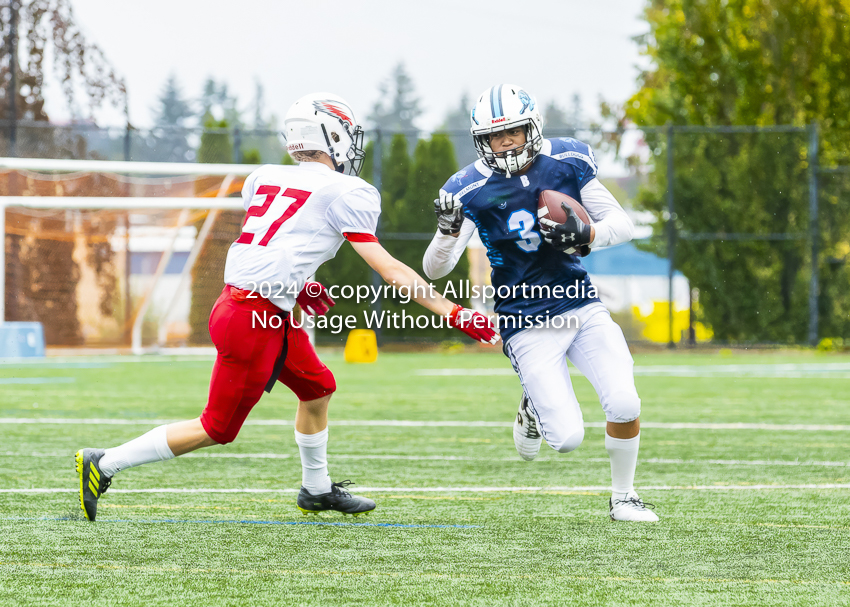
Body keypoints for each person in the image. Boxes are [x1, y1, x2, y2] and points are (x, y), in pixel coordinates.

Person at [75, 92, 498, 522]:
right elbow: (389, 269)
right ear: (331, 135)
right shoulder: (348, 190)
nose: (352, 145)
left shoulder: (264, 177)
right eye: (347, 135)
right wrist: (454, 311)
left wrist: (298, 288)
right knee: (217, 428)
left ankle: (316, 490)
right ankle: (104, 462)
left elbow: (279, 246)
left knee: (318, 388)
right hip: (251, 315)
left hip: (259, 307)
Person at [423, 84, 658, 522]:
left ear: (532, 127)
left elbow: (621, 225)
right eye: (495, 135)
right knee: (567, 438)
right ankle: (531, 403)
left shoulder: (567, 159)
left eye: (512, 131)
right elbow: (436, 268)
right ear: (482, 141)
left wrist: (587, 236)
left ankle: (624, 496)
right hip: (524, 319)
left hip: (578, 303)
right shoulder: (468, 187)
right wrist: (447, 230)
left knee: (626, 402)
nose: (505, 141)